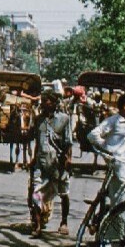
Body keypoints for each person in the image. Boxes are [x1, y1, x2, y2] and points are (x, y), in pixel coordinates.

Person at [27, 90, 73, 236]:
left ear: (54, 104)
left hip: (57, 162)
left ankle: (64, 222)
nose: (45, 104)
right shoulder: (38, 119)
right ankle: (37, 225)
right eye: (44, 101)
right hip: (41, 161)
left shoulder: (64, 119)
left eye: (48, 102)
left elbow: (68, 142)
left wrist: (68, 159)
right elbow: (38, 141)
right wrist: (33, 158)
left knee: (63, 193)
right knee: (35, 193)